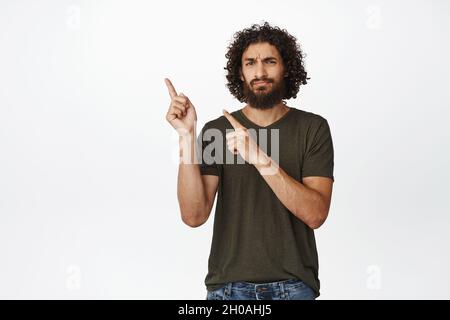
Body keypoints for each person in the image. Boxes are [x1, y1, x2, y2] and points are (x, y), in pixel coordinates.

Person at [164, 22, 334, 300]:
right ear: (240, 72)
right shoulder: (217, 131)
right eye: (250, 63)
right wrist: (186, 135)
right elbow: (194, 216)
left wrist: (258, 156)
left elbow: (316, 214)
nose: (260, 72)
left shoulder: (312, 128)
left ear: (286, 68)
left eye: (270, 61)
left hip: (294, 289)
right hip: (227, 290)